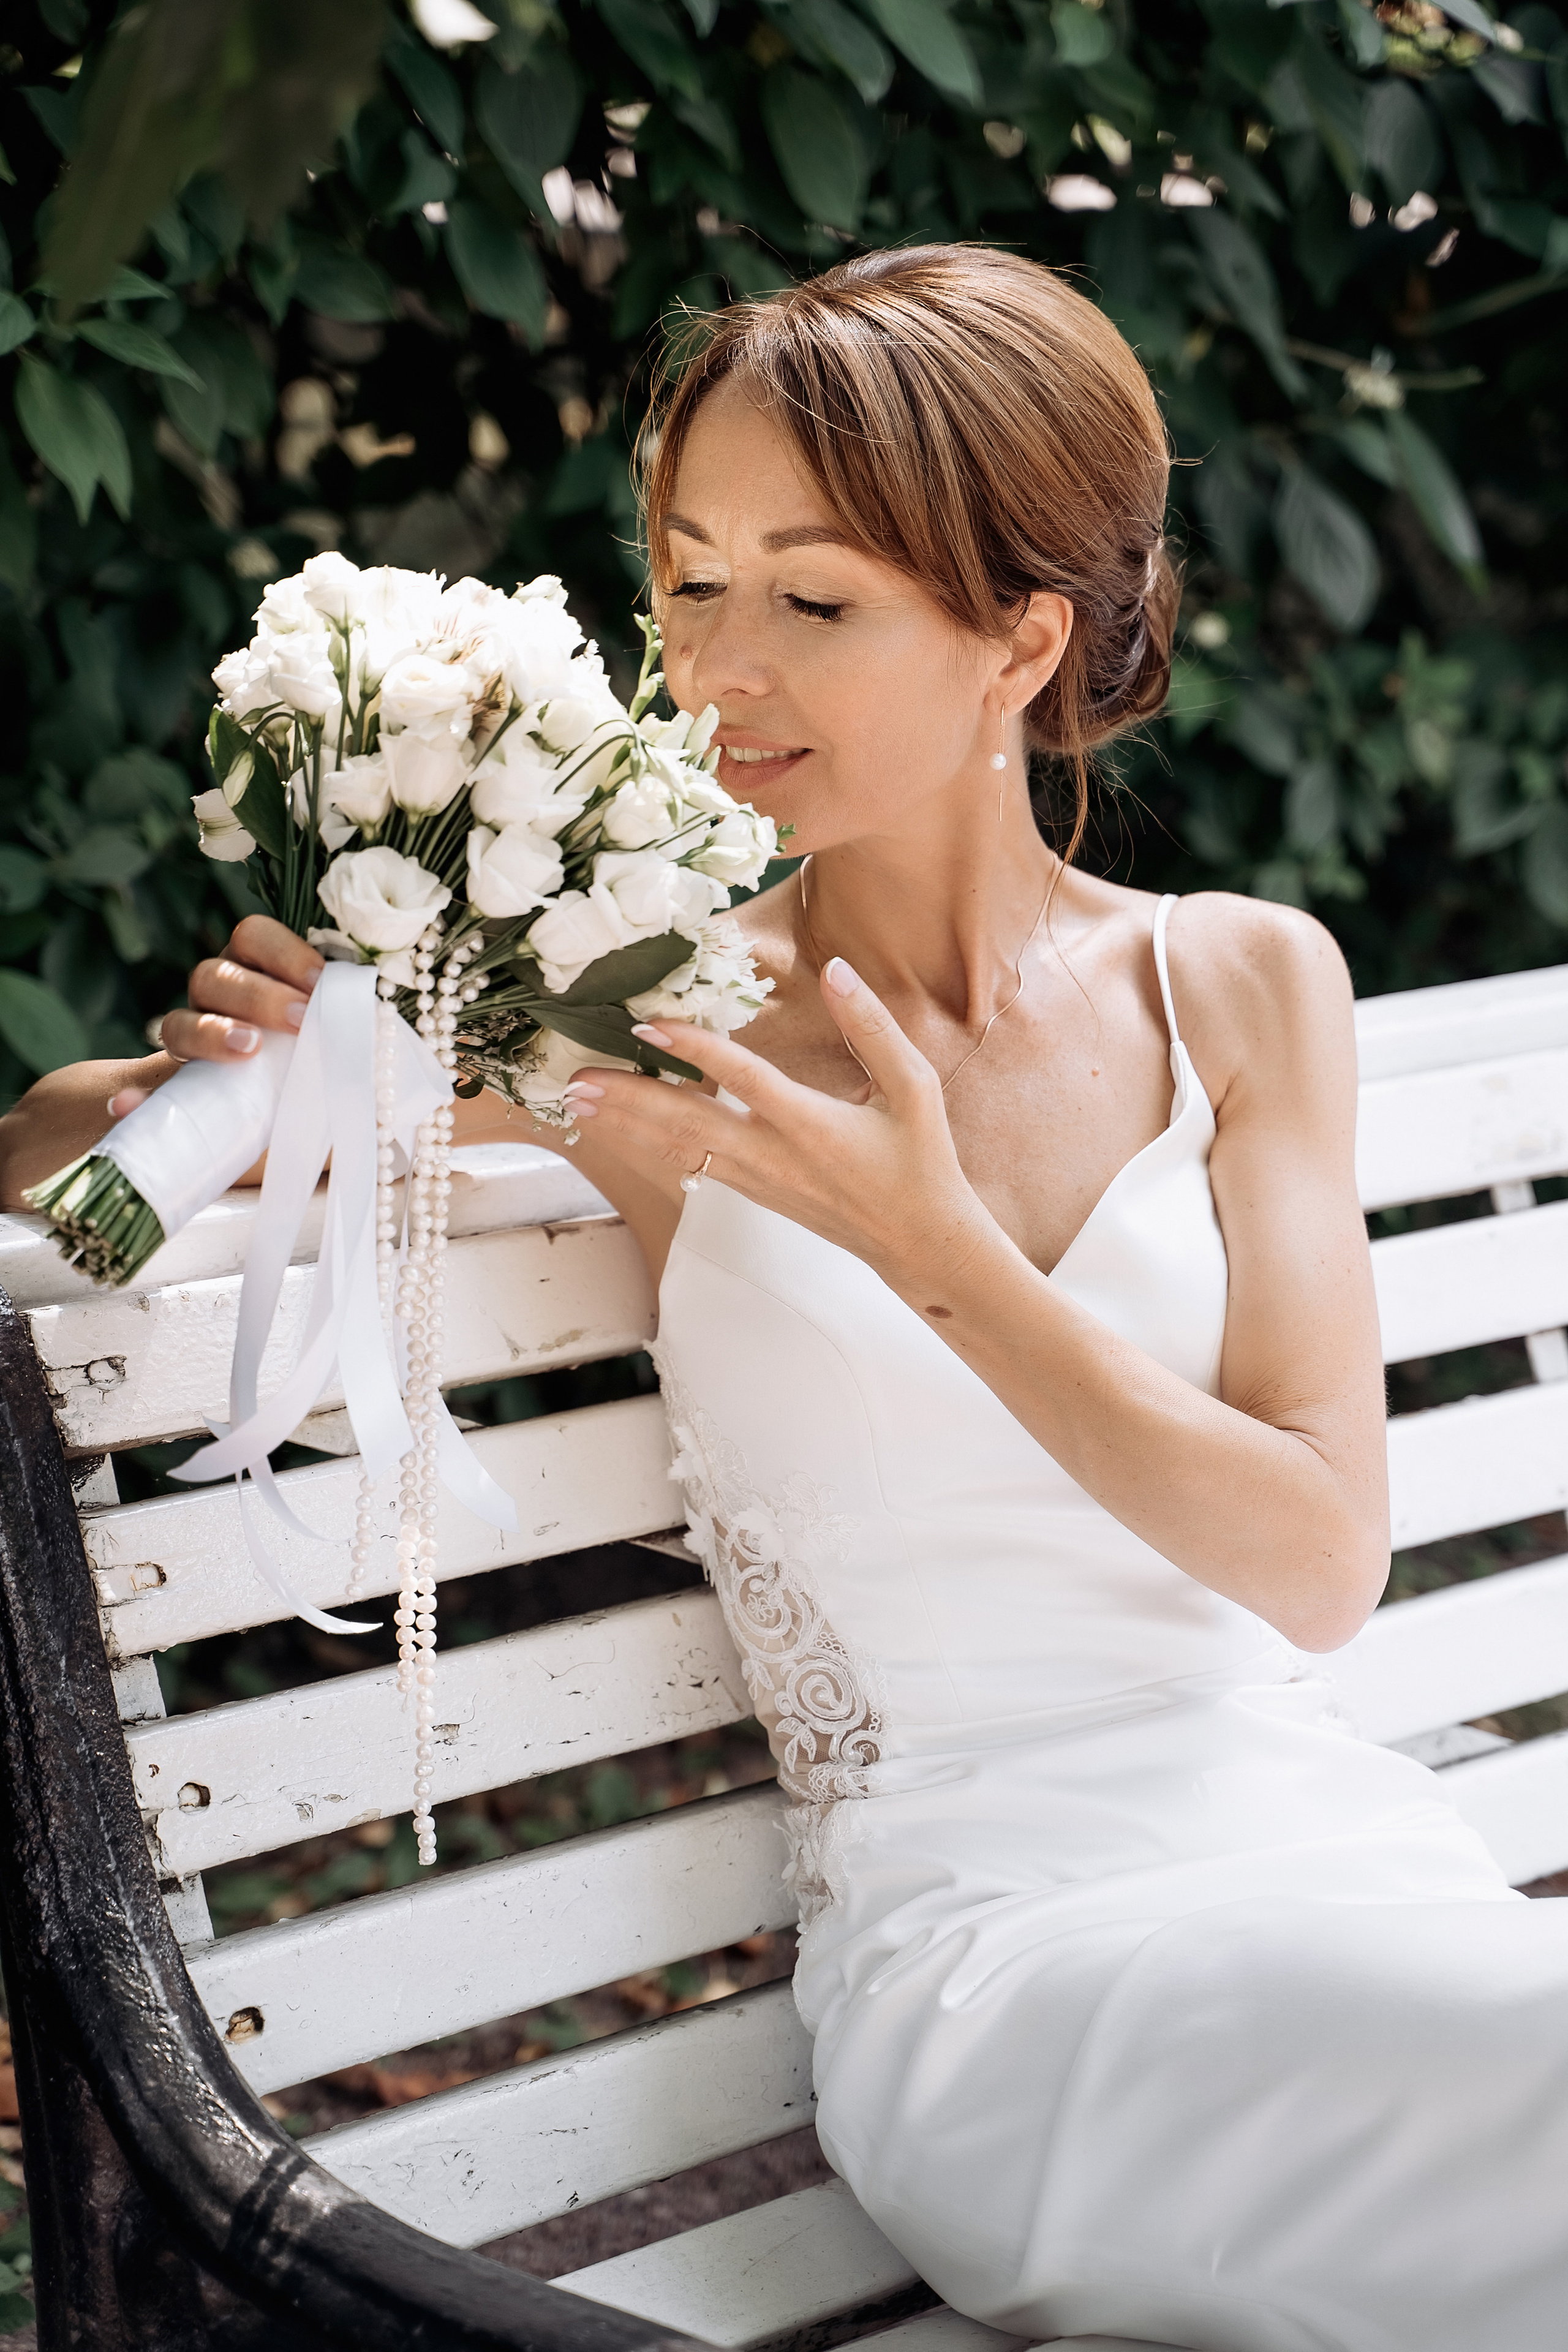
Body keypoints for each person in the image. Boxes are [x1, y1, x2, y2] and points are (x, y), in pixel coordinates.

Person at [3, 246, 1564, 2351]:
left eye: (811, 600)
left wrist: (939, 1255)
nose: (719, 669)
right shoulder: (643, 1030)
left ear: (1021, 636)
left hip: (1343, 1872)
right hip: (1012, 1970)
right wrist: (225, 1063)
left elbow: (1314, 1565)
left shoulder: (1242, 981)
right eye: (692, 579)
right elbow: (80, 1184)